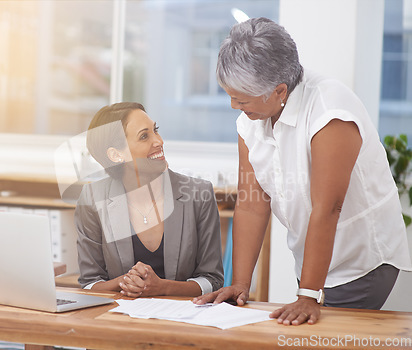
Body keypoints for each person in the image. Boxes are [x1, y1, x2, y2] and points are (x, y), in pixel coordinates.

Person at [194, 17, 412, 325]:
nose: (233, 105)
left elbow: (328, 208)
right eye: (230, 95)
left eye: (241, 98)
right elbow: (252, 204)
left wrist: (309, 293)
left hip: (365, 266)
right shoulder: (251, 119)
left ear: (279, 91)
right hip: (314, 269)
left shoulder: (330, 110)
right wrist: (241, 285)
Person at [75, 102, 224, 297]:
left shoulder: (198, 194)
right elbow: (89, 283)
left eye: (156, 130)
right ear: (116, 154)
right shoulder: (92, 200)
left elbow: (212, 280)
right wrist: (124, 281)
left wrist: (163, 288)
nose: (159, 141)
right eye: (144, 136)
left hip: (183, 318)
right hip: (120, 318)